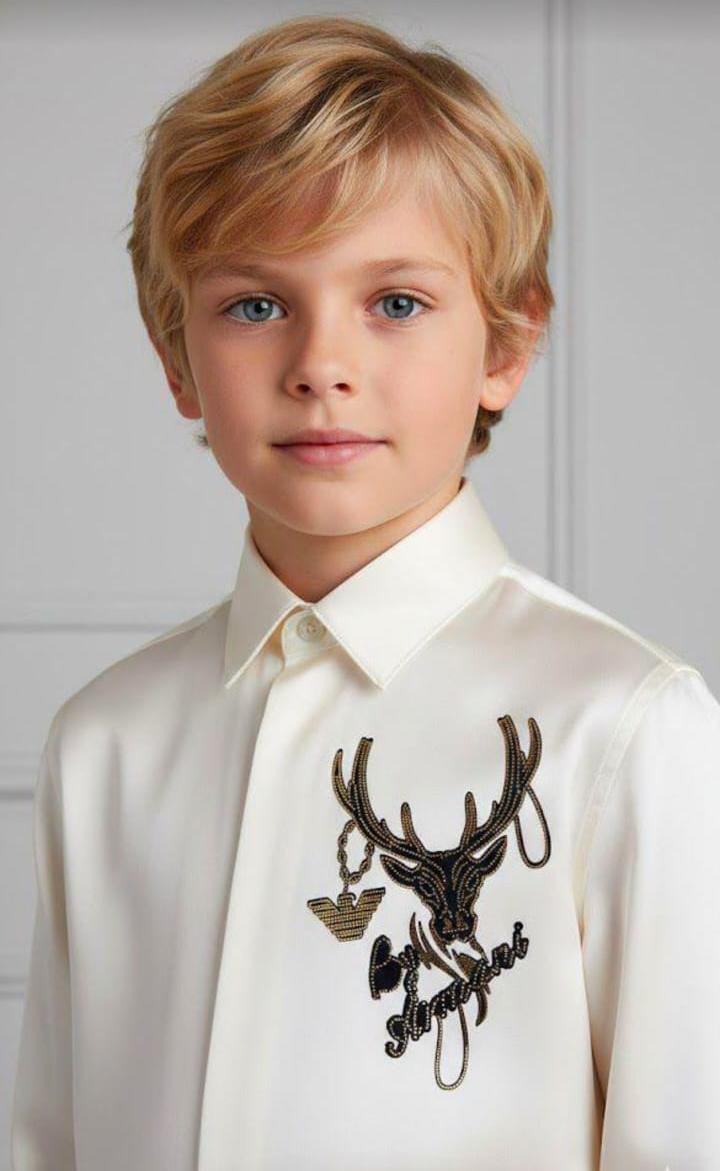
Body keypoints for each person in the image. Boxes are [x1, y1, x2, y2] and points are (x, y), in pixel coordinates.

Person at [10, 13, 720, 1171]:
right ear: (176, 357)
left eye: (395, 303)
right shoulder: (106, 744)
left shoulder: (628, 728)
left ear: (507, 345)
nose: (320, 366)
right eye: (255, 305)